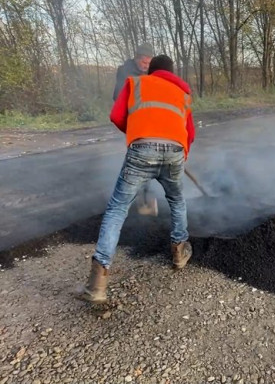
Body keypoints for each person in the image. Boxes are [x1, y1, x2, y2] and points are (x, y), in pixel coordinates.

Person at [78, 54, 196, 303]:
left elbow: (117, 116)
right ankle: (179, 253)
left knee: (117, 209)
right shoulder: (183, 95)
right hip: (175, 152)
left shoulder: (136, 84)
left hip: (141, 150)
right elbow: (190, 134)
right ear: (173, 73)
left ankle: (97, 284)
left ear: (150, 71)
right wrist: (177, 151)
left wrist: (139, 132)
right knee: (177, 200)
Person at [114, 43, 158, 216]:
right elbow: (118, 97)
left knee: (150, 160)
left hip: (148, 123)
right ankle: (130, 201)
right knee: (138, 161)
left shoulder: (150, 73)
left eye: (148, 63)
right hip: (134, 122)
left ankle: (145, 198)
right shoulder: (126, 72)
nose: (145, 66)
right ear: (137, 58)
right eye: (143, 62)